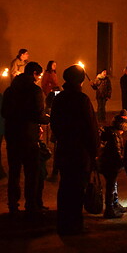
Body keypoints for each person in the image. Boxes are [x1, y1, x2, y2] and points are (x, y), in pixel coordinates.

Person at [51, 65, 99, 235]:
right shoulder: (81, 99)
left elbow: (54, 124)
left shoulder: (60, 98)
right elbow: (91, 127)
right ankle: (75, 224)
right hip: (80, 152)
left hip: (65, 149)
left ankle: (63, 222)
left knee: (65, 187)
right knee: (78, 188)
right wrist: (94, 150)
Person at [2, 62, 50, 217]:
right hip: (29, 137)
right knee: (32, 172)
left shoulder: (10, 90)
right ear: (34, 73)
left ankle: (13, 205)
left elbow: (3, 112)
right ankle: (31, 205)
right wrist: (46, 119)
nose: (39, 78)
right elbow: (37, 114)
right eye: (39, 75)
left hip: (12, 135)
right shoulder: (35, 91)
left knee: (14, 172)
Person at [98, 110, 127, 218]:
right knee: (111, 186)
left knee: (113, 184)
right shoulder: (115, 135)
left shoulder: (109, 132)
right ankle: (109, 209)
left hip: (105, 163)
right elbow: (117, 154)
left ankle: (115, 204)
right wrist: (124, 162)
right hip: (111, 165)